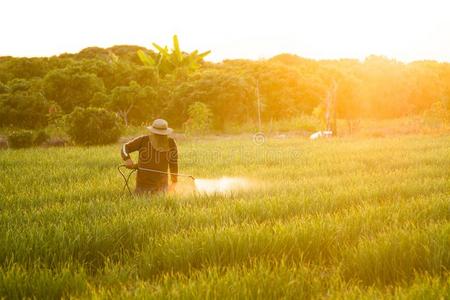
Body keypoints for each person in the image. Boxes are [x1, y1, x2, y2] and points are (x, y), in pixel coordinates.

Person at [120, 119, 178, 195]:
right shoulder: (143, 140)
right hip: (143, 186)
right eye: (157, 134)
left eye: (162, 134)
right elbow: (125, 147)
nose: (159, 136)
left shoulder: (171, 143)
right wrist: (127, 158)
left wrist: (174, 182)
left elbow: (173, 164)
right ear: (152, 132)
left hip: (162, 186)